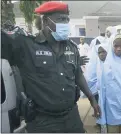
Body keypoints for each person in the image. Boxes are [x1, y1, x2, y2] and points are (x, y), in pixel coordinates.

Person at [1, 1, 101, 132]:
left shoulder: (71, 47)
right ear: (46, 21)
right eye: (60, 19)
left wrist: (92, 98)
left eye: (66, 19)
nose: (65, 23)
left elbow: (78, 75)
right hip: (43, 121)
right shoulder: (26, 46)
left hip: (71, 116)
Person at [85, 43, 108, 132]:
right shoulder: (97, 64)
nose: (102, 54)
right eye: (99, 52)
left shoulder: (110, 65)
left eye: (104, 51)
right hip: (99, 94)